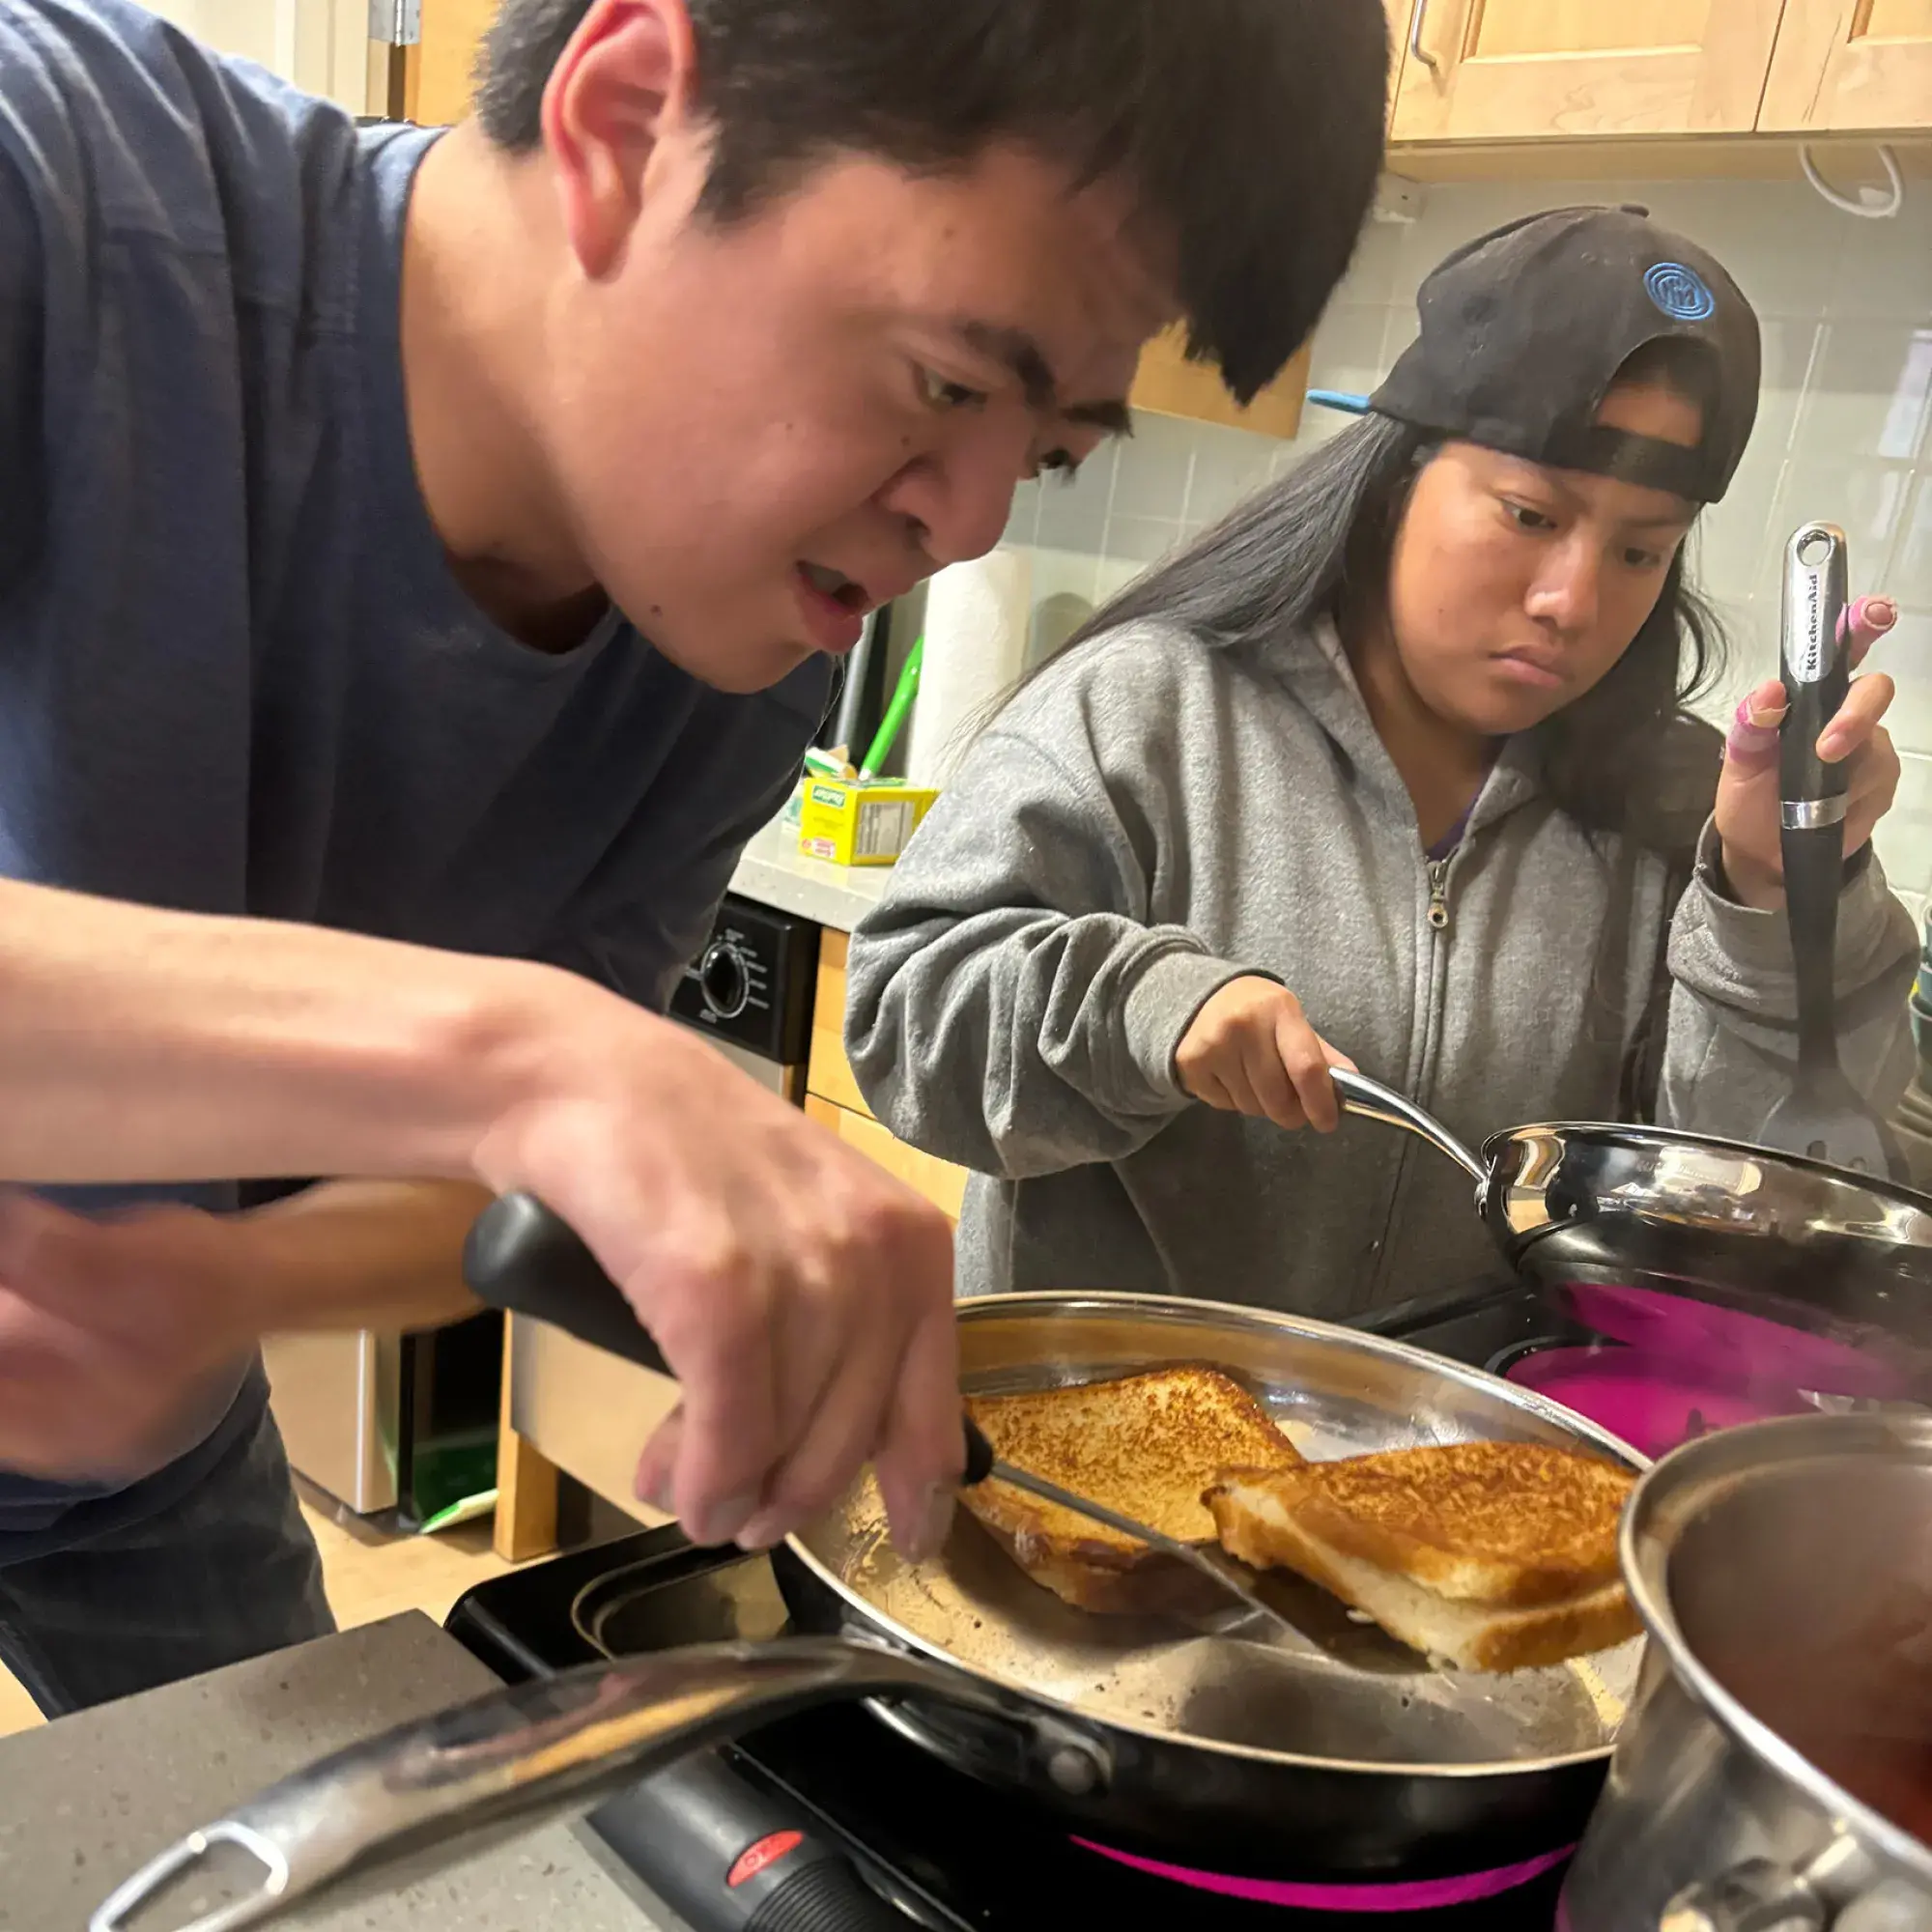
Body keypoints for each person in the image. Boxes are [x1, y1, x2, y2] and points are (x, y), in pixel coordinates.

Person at [0, 0, 1390, 1714]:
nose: (967, 526)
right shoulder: (57, 191)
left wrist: (224, 1281)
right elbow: (530, 1095)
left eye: (1042, 454)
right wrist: (523, 1058)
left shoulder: (726, 640)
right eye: (947, 383)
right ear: (632, 122)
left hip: (142, 1450)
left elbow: (504, 1178)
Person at [843, 206, 1918, 1319]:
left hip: (1447, 1428)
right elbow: (903, 1020)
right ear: (1400, 475)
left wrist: (1773, 894)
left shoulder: (1673, 805)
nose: (1571, 601)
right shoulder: (1149, 709)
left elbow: (1762, 1221)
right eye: (1527, 514)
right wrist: (1141, 1007)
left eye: (1640, 550)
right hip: (1106, 1420)